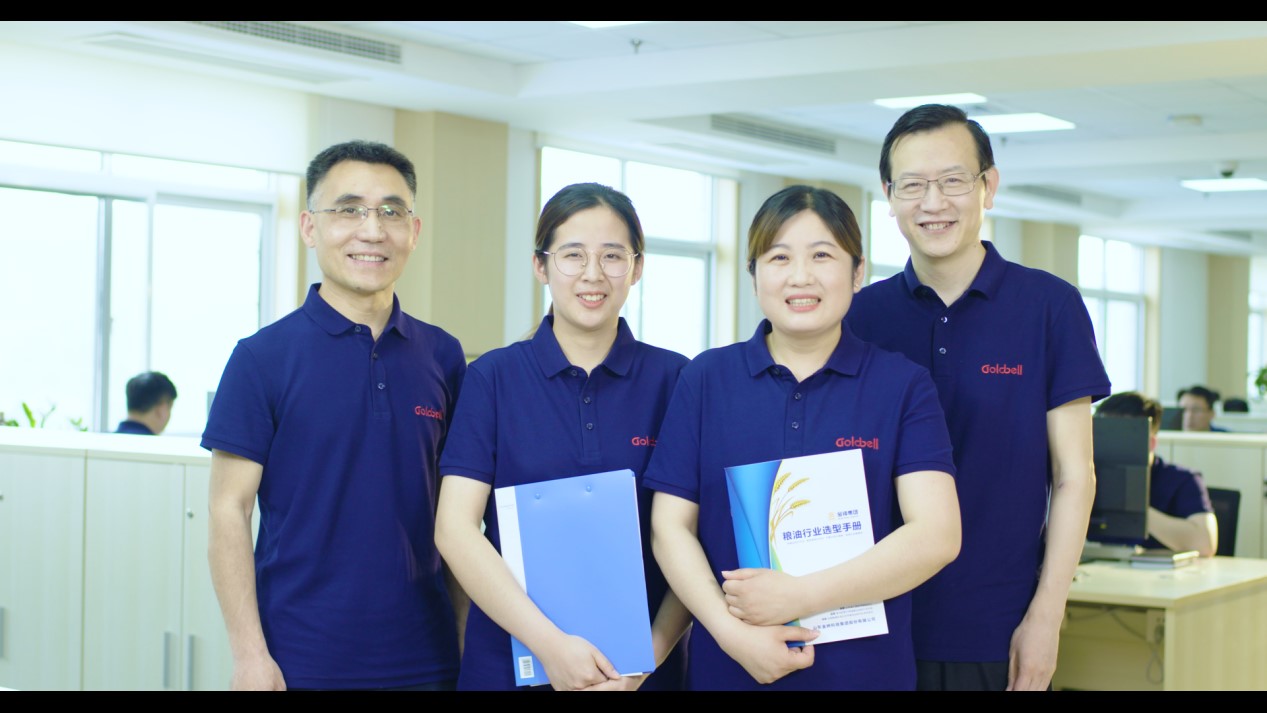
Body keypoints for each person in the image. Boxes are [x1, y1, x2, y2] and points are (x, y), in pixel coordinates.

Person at [646, 185, 961, 690]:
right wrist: (730, 634)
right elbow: (670, 527)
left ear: (857, 272)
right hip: (729, 668)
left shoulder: (902, 386)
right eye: (779, 257)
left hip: (864, 674)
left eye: (822, 256)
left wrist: (801, 595)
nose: (800, 276)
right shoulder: (706, 379)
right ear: (754, 275)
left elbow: (937, 536)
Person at [845, 104, 1111, 691]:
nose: (933, 202)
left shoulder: (1049, 307)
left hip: (997, 627)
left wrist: (1047, 616)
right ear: (889, 197)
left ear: (988, 186)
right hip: (867, 621)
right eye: (912, 185)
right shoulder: (859, 317)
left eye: (952, 180)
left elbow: (1075, 476)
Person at [203, 141, 466, 690]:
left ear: (414, 231)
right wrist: (250, 656)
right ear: (309, 227)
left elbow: (459, 517)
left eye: (391, 212)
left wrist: (468, 644)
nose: (372, 230)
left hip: (429, 656)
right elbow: (229, 510)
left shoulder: (443, 355)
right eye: (349, 209)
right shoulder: (261, 358)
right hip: (300, 654)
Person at [434, 183, 691, 691]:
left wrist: (643, 662)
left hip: (643, 674)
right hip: (511, 665)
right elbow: (454, 529)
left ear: (637, 267)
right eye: (573, 255)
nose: (593, 274)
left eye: (612, 256)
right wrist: (551, 646)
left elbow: (689, 539)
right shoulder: (493, 378)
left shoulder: (678, 380)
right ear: (541, 265)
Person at [1094, 392, 1218, 556]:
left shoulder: (1182, 480)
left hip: (1155, 570)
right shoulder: (1087, 477)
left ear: (1151, 443)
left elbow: (1205, 544)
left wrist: (1132, 506)